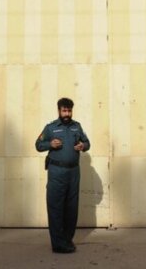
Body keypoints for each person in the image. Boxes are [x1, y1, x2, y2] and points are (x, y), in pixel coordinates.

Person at [35, 97, 91, 253]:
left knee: (71, 208)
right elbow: (38, 145)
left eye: (69, 110)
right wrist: (49, 144)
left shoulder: (77, 127)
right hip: (56, 172)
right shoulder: (51, 128)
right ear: (59, 110)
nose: (67, 113)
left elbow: (87, 143)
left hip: (73, 172)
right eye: (64, 110)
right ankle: (58, 244)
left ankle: (67, 240)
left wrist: (83, 146)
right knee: (56, 207)